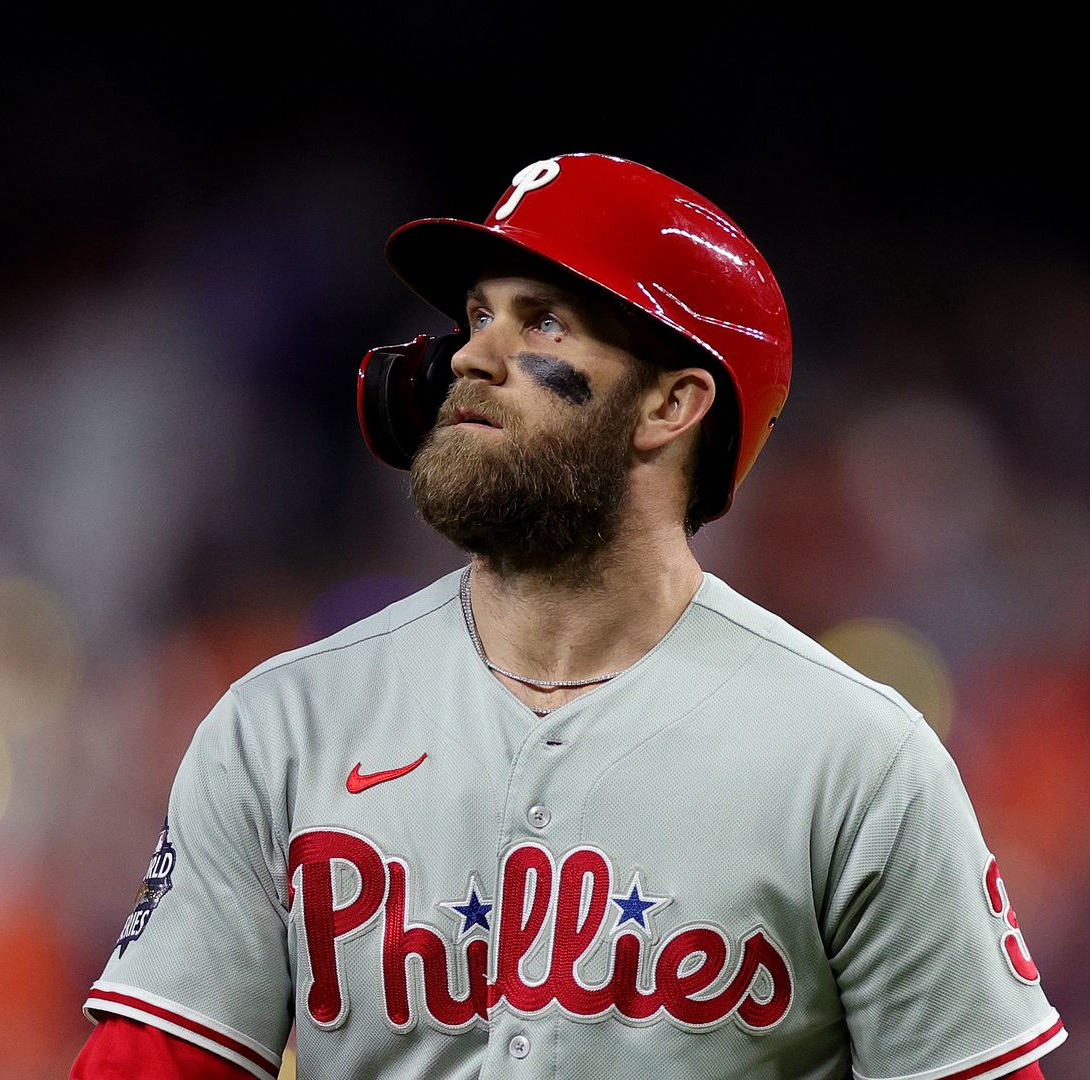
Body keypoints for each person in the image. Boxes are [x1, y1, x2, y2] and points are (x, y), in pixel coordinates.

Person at [68, 154, 1065, 1079]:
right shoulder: (285, 724)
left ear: (671, 405)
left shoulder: (856, 761)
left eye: (541, 322)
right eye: (477, 316)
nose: (472, 354)